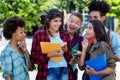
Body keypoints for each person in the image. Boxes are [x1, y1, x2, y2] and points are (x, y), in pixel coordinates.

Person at [30, 9, 73, 80]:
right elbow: (34, 57)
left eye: (60, 21)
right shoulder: (39, 34)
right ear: (48, 20)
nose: (58, 23)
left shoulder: (65, 35)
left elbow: (70, 59)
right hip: (48, 70)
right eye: (55, 21)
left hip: (64, 69)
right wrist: (49, 55)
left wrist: (66, 51)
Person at [65, 12, 83, 80]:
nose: (73, 24)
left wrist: (81, 54)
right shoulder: (59, 36)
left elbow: (84, 59)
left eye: (77, 23)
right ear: (67, 21)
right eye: (71, 21)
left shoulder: (81, 40)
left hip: (72, 74)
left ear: (80, 26)